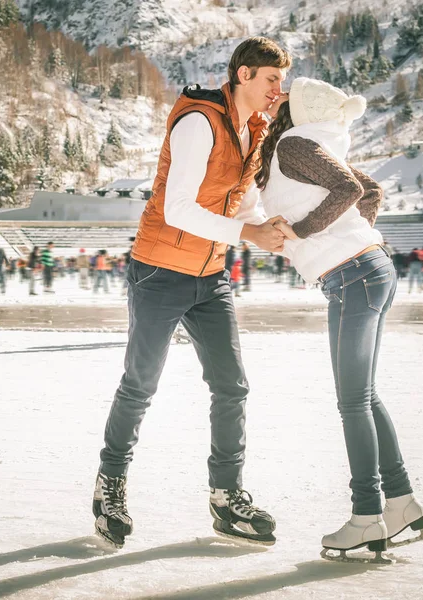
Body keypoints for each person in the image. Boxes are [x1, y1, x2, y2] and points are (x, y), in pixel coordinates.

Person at [93, 37, 291, 549]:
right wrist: (249, 235)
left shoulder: (253, 128)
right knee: (140, 385)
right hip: (159, 270)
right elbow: (179, 208)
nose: (278, 90)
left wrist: (275, 235)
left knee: (232, 387)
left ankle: (226, 498)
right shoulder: (199, 121)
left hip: (211, 275)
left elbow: (239, 204)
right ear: (244, 75)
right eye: (272, 79)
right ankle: (108, 489)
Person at [257, 77, 423, 561]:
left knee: (352, 402)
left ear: (296, 112)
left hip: (354, 275)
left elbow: (352, 188)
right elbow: (369, 191)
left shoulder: (294, 144)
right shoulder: (310, 147)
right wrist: (348, 236)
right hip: (366, 268)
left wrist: (304, 233)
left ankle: (365, 517)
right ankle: (400, 502)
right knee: (365, 397)